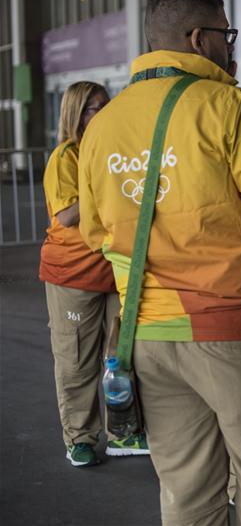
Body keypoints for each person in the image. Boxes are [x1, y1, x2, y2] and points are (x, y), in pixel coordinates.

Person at [78, 0, 241, 525]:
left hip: (150, 338)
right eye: (225, 34)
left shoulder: (105, 124)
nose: (230, 47)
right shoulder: (229, 105)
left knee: (186, 493)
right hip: (240, 332)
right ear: (199, 38)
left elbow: (95, 231)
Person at [40, 81, 151, 467]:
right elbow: (68, 215)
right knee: (76, 362)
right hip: (72, 275)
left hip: (115, 268)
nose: (102, 113)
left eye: (105, 105)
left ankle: (122, 432)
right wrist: (112, 191)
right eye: (92, 108)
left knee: (119, 358)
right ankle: (79, 439)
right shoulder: (65, 157)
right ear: (75, 113)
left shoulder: (110, 150)